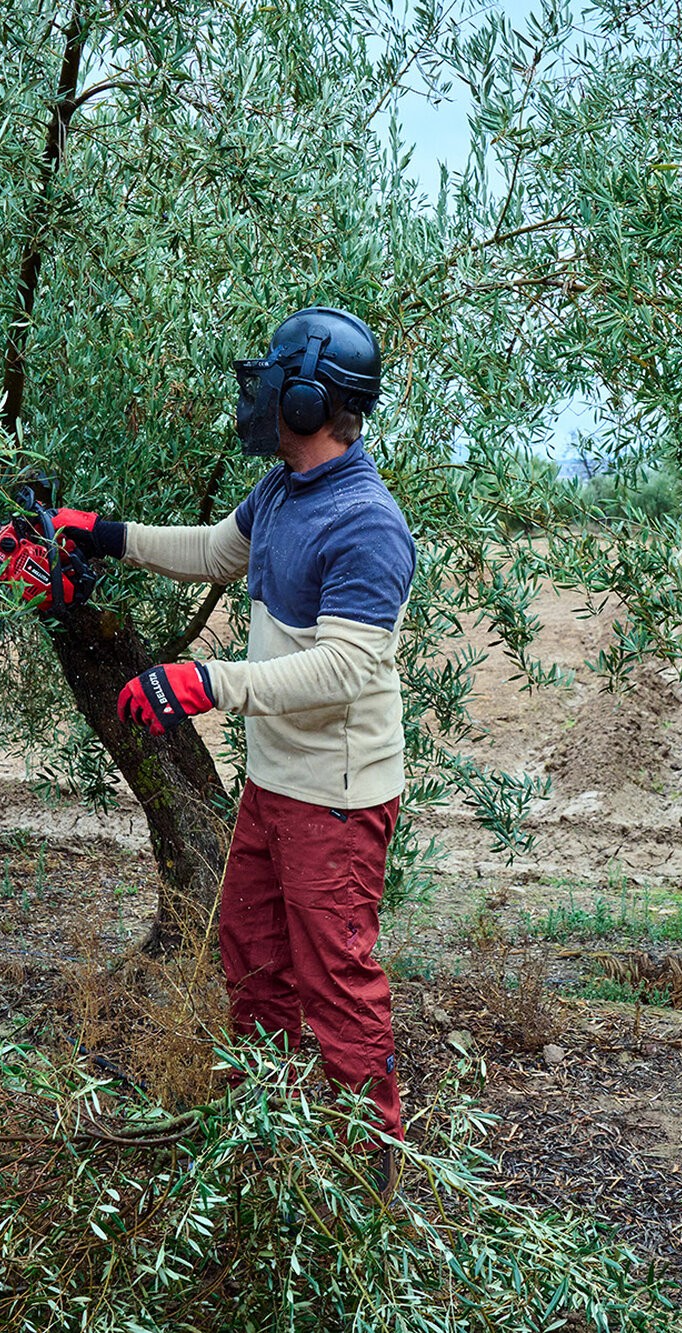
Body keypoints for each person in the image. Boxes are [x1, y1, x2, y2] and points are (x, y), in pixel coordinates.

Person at [52, 306, 415, 1180]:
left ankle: (373, 1184)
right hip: (277, 783)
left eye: (272, 382)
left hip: (336, 792)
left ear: (306, 400)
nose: (254, 399)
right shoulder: (284, 492)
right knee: (252, 963)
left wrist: (207, 684)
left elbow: (342, 670)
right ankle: (278, 1142)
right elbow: (218, 551)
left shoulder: (367, 523)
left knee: (336, 983)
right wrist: (103, 533)